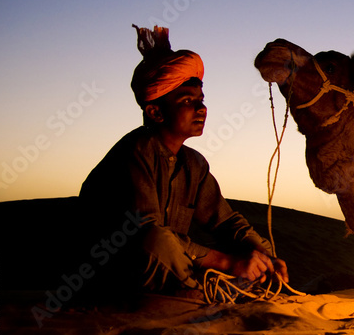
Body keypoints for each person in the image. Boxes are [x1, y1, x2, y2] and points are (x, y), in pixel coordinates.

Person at [79, 25, 287, 298]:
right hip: (111, 274)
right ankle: (199, 297)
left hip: (169, 269)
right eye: (187, 100)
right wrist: (227, 263)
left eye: (201, 99)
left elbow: (225, 222)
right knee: (157, 240)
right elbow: (148, 235)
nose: (201, 109)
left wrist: (264, 255)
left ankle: (206, 294)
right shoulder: (135, 153)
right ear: (155, 112)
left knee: (244, 253)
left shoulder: (193, 164)